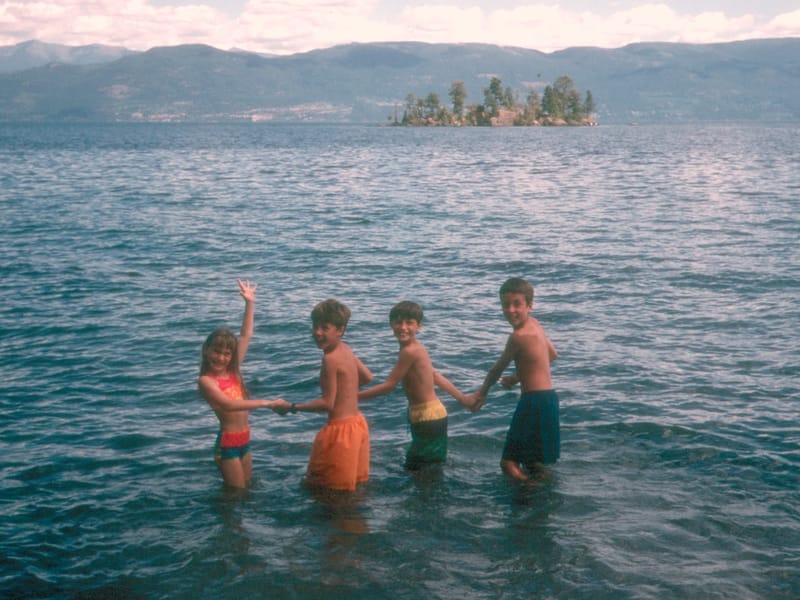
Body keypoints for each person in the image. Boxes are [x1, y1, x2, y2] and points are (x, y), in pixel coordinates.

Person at [359, 301, 475, 470]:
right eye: (398, 322)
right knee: (428, 464)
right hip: (429, 415)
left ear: (419, 326)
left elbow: (389, 386)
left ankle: (429, 494)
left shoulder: (410, 351)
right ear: (391, 324)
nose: (403, 327)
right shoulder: (415, 348)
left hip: (427, 416)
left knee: (419, 466)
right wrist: (462, 398)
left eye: (409, 322)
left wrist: (353, 397)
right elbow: (434, 375)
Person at [272, 299, 373, 491]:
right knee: (354, 489)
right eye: (315, 326)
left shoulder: (330, 359)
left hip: (340, 433)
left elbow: (327, 404)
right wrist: (346, 392)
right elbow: (367, 377)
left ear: (340, 330)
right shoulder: (346, 349)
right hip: (358, 426)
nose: (317, 332)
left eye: (324, 328)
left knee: (327, 492)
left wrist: (292, 408)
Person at [470, 277, 560, 481]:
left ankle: (529, 492)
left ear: (530, 305)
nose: (510, 310)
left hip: (533, 402)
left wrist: (481, 393)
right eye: (505, 305)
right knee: (533, 460)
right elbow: (552, 355)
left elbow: (496, 370)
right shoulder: (535, 323)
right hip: (549, 400)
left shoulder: (517, 336)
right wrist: (518, 377)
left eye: (517, 304)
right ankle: (541, 496)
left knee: (509, 463)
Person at [198, 279, 282, 489]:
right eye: (216, 352)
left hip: (244, 440)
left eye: (227, 354)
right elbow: (227, 405)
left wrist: (250, 303)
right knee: (236, 495)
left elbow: (246, 335)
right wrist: (265, 403)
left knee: (247, 491)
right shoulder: (206, 381)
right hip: (227, 444)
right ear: (206, 351)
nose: (221, 358)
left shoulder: (233, 371)